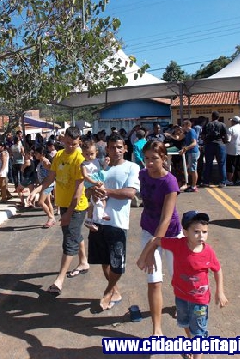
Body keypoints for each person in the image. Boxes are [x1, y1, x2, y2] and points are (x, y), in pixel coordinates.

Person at [137, 211, 228, 359]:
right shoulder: (177, 244)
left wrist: (220, 291)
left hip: (200, 301)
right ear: (185, 232)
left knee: (198, 332)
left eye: (205, 232)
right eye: (196, 232)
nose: (201, 236)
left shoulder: (208, 252)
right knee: (184, 323)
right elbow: (155, 240)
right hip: (181, 297)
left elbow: (217, 270)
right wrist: (143, 257)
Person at [28, 126, 89, 296]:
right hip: (63, 204)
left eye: (74, 144)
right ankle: (83, 261)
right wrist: (36, 190)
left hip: (76, 206)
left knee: (69, 240)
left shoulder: (80, 159)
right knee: (73, 234)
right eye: (68, 143)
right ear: (63, 140)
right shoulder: (59, 156)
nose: (71, 146)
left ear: (79, 142)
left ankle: (59, 279)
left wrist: (69, 213)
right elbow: (49, 179)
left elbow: (78, 191)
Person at [88, 133, 139, 310]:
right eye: (112, 147)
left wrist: (107, 192)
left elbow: (130, 193)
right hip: (98, 222)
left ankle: (108, 290)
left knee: (117, 264)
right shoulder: (103, 169)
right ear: (107, 149)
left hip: (118, 223)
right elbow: (90, 190)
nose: (116, 150)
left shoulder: (132, 167)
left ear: (125, 148)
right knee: (104, 261)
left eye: (119, 147)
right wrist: (93, 192)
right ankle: (115, 292)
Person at [138, 140, 182, 336]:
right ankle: (157, 329)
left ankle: (182, 308)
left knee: (177, 279)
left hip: (171, 235)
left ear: (163, 158)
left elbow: (165, 219)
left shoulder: (170, 182)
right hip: (148, 229)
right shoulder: (142, 174)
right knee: (154, 281)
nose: (149, 163)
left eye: (154, 159)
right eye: (146, 158)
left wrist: (149, 250)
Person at [80, 139, 108, 231]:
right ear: (82, 154)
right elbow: (85, 176)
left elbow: (103, 168)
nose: (89, 156)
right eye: (86, 154)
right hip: (91, 182)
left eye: (91, 154)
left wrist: (106, 163)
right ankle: (99, 214)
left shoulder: (97, 161)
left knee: (98, 199)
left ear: (96, 152)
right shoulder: (83, 164)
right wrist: (94, 182)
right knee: (97, 196)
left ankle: (90, 219)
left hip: (98, 180)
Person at [30, 146, 56, 228]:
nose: (35, 155)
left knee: (40, 202)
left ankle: (50, 217)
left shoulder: (45, 161)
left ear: (42, 154)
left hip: (47, 185)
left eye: (36, 153)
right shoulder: (41, 162)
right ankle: (52, 219)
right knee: (48, 202)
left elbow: (52, 172)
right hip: (43, 184)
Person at [201, 111, 228, 188]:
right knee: (222, 164)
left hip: (209, 145)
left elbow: (203, 136)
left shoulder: (207, 125)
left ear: (212, 117)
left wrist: (206, 141)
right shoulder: (222, 125)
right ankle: (222, 182)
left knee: (208, 164)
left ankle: (206, 182)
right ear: (218, 117)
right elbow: (225, 137)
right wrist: (225, 142)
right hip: (220, 145)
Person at [179, 120, 200, 192]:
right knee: (190, 170)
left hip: (193, 152)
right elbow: (179, 138)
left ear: (187, 125)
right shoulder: (187, 132)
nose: (182, 127)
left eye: (183, 125)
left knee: (193, 170)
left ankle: (193, 186)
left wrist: (186, 148)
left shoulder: (191, 132)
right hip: (191, 152)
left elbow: (194, 143)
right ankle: (192, 185)